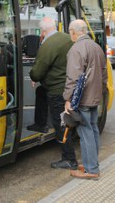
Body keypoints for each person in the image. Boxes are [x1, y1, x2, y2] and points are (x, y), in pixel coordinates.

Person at [29, 17, 78, 169]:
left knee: (61, 124)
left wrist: (33, 76)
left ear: (43, 31)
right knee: (66, 119)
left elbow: (37, 73)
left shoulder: (48, 45)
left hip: (57, 90)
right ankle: (40, 124)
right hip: (70, 87)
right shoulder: (67, 38)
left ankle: (69, 159)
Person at [63, 19, 107, 180]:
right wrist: (100, 93)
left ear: (74, 32)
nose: (70, 36)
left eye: (70, 33)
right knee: (93, 130)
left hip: (82, 99)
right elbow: (103, 75)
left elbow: (72, 77)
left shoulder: (76, 49)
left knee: (85, 131)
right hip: (95, 96)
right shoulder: (97, 47)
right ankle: (92, 163)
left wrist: (67, 98)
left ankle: (91, 169)